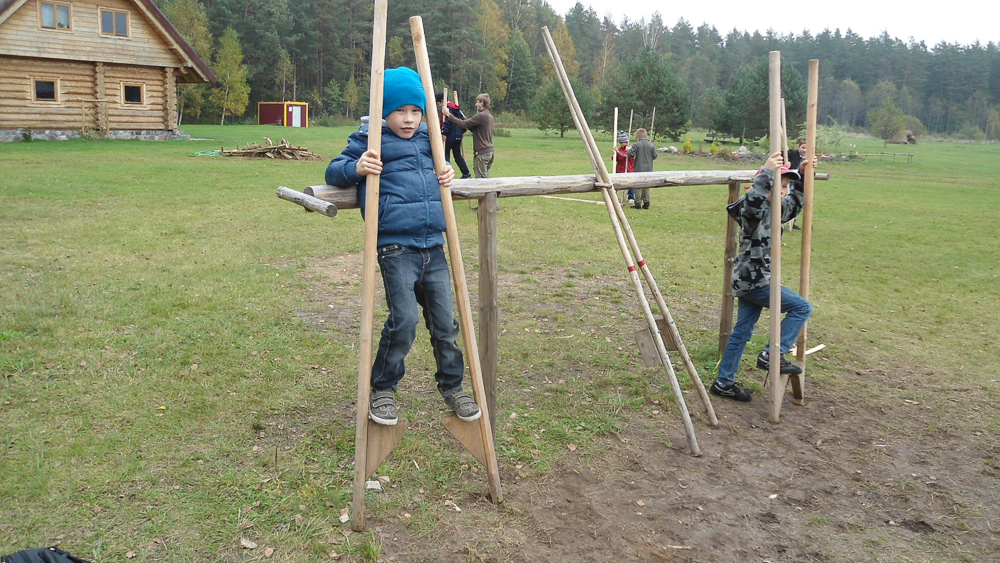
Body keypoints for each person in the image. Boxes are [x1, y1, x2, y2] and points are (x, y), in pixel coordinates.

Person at [325, 67, 482, 425]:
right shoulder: (371, 139)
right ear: (384, 112)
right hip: (395, 247)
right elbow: (334, 170)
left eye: (415, 111)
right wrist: (358, 168)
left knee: (446, 325)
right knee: (405, 321)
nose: (409, 119)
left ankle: (453, 387)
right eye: (399, 111)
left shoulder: (431, 139)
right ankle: (383, 388)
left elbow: (439, 170)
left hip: (434, 245)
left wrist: (447, 171)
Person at [709, 151, 813, 402]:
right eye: (778, 187)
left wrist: (804, 174)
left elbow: (796, 203)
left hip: (751, 280)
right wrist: (766, 171)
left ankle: (723, 382)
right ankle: (771, 355)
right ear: (764, 186)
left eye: (785, 187)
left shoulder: (777, 210)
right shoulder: (753, 212)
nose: (783, 192)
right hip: (755, 281)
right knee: (802, 307)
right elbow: (754, 199)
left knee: (742, 331)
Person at [443, 93, 494, 178]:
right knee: (486, 179)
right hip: (490, 152)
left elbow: (464, 124)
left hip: (482, 152)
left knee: (481, 181)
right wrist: (465, 119)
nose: (476, 104)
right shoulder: (489, 116)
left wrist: (449, 115)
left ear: (482, 103)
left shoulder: (481, 116)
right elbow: (475, 129)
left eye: (477, 102)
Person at [435, 91, 472, 179]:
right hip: (458, 136)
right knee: (457, 155)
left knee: (445, 155)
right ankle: (466, 173)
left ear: (442, 101)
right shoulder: (456, 108)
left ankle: (447, 175)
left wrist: (444, 133)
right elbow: (463, 120)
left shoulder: (447, 109)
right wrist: (462, 131)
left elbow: (447, 122)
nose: (439, 105)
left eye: (439, 103)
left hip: (450, 135)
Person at [628, 128, 656, 209]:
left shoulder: (637, 144)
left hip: (639, 168)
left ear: (638, 136)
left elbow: (631, 154)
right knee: (647, 186)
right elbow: (654, 156)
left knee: (638, 187)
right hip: (649, 168)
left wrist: (628, 150)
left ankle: (638, 203)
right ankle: (647, 203)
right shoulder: (651, 145)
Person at [613, 131, 635, 204]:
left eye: (622, 142)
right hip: (620, 169)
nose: (621, 144)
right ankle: (614, 195)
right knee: (617, 183)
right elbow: (616, 159)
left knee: (630, 184)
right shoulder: (619, 149)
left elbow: (626, 156)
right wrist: (615, 154)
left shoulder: (630, 149)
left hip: (629, 169)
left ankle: (631, 197)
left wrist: (618, 152)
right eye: (620, 143)